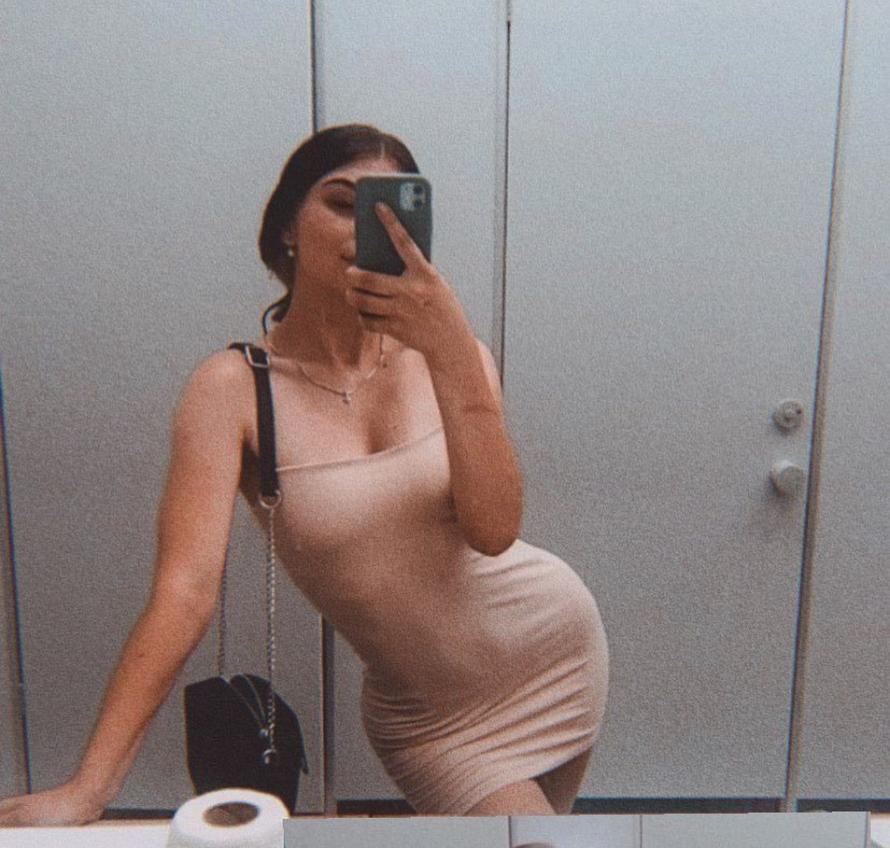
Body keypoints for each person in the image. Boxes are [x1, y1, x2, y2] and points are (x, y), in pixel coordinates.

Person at [0, 124, 608, 825]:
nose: (366, 228)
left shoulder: (452, 355)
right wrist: (89, 788)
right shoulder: (231, 389)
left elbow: (495, 531)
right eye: (342, 203)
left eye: (390, 210)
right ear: (287, 226)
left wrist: (451, 354)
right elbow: (184, 594)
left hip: (554, 657)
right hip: (433, 724)